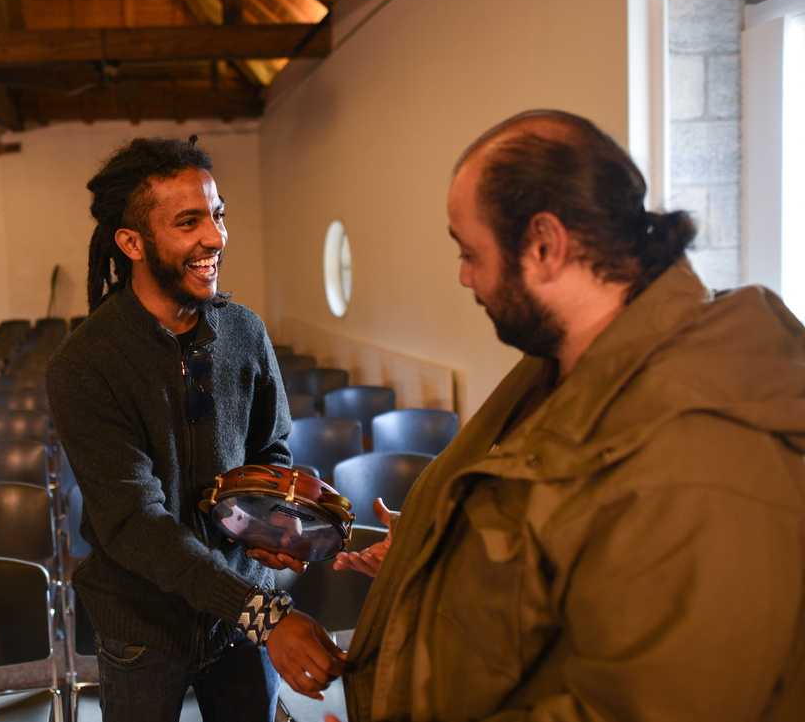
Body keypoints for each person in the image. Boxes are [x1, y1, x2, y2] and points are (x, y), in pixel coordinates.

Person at [332, 110, 805, 721]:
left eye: (470, 252)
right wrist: (440, 557)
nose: (463, 275)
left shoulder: (696, 454)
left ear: (545, 245)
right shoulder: (561, 362)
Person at [45, 135, 346, 722]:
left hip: (241, 610)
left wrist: (270, 528)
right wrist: (264, 614)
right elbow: (135, 524)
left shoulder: (245, 332)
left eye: (218, 214)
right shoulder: (84, 365)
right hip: (145, 626)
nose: (215, 237)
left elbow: (271, 449)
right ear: (131, 242)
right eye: (189, 222)